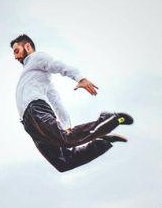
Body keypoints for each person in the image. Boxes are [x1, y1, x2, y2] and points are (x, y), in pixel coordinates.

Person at [10, 34, 134, 173]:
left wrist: (80, 78)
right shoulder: (34, 76)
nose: (15, 56)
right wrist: (66, 126)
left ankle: (111, 119)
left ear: (27, 46)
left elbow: (58, 65)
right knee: (63, 162)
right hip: (29, 123)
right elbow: (56, 101)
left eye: (17, 51)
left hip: (35, 110)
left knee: (66, 139)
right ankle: (103, 141)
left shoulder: (37, 57)